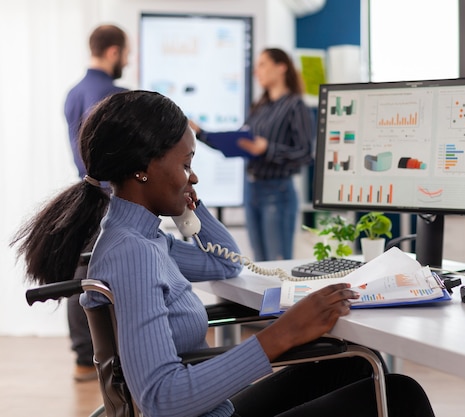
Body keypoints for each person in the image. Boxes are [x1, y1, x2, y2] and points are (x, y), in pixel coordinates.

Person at [12, 90, 435, 417]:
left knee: (355, 366)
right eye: (185, 164)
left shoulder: (139, 236)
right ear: (143, 169)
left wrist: (189, 209)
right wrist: (284, 333)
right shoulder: (132, 253)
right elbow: (161, 400)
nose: (193, 175)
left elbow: (224, 262)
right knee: (400, 394)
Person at [192, 48, 314, 262]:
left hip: (278, 191)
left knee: (277, 262)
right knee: (260, 261)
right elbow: (240, 139)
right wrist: (202, 134)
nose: (257, 72)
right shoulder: (260, 107)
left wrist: (268, 149)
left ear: (281, 67)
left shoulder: (296, 106)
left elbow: (305, 154)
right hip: (253, 190)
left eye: (262, 64)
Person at [63, 23, 130, 382]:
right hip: (108, 197)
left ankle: (83, 357)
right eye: (127, 53)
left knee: (84, 274)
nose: (128, 60)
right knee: (95, 277)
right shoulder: (112, 94)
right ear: (114, 51)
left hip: (84, 194)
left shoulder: (74, 92)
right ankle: (96, 358)